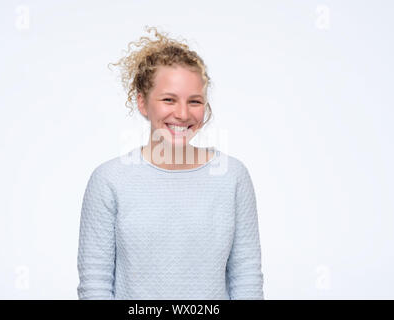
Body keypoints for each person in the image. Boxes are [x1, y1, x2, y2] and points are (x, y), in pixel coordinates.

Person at [76, 26, 264, 300]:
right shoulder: (109, 180)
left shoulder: (232, 176)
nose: (183, 113)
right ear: (142, 103)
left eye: (195, 101)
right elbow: (95, 284)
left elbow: (246, 277)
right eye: (168, 100)